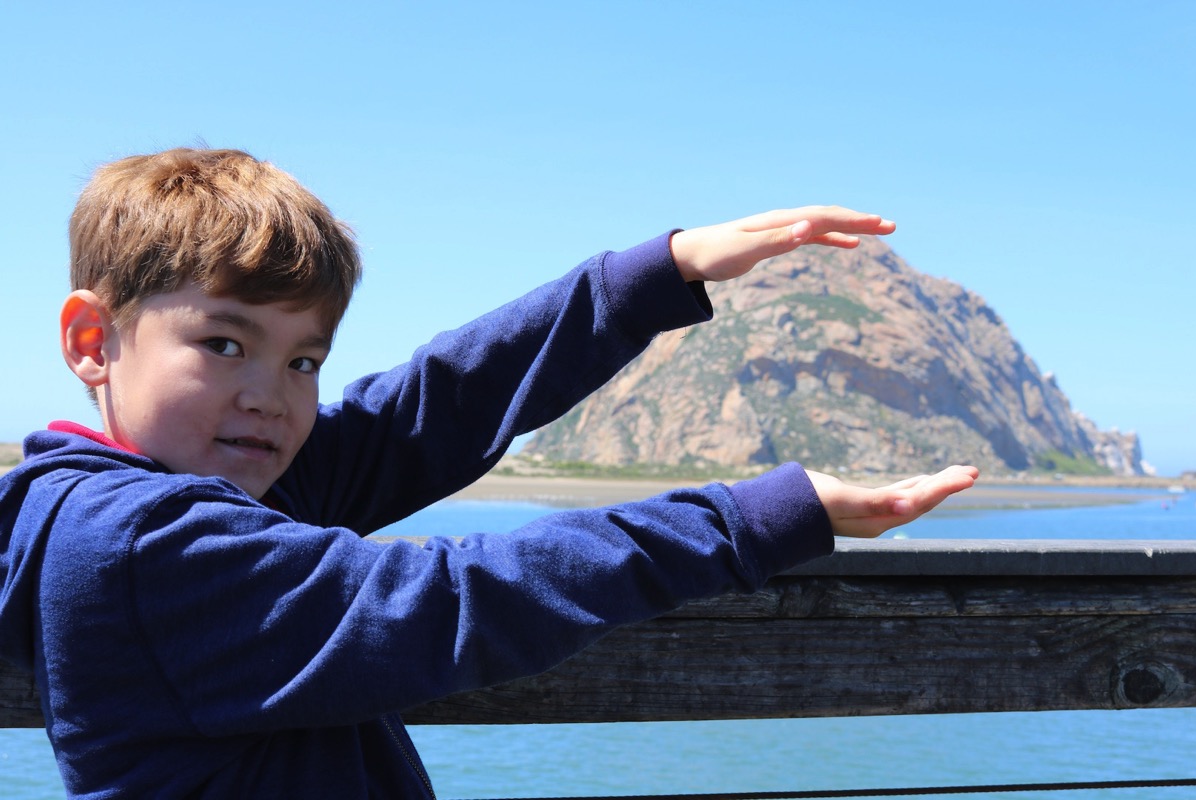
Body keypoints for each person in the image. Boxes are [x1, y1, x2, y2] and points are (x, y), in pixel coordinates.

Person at [0, 147, 977, 798]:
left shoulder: (160, 498)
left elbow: (422, 414)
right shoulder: (144, 547)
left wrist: (657, 275)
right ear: (92, 339)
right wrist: (752, 517)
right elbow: (458, 596)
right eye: (224, 341)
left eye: (304, 359)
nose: (271, 393)